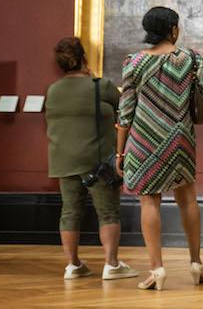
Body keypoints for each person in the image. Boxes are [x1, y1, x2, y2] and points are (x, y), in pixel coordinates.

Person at [116, 7, 203, 291]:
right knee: (187, 198)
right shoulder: (191, 58)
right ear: (173, 29)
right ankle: (196, 263)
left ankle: (157, 270)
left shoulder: (134, 62)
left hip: (143, 140)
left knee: (149, 202)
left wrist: (120, 153)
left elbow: (125, 113)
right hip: (180, 138)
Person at [44, 37, 137, 282]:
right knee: (108, 212)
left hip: (63, 160)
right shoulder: (100, 86)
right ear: (84, 58)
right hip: (98, 162)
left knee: (70, 212)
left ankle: (73, 265)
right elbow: (126, 110)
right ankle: (111, 264)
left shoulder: (52, 90)